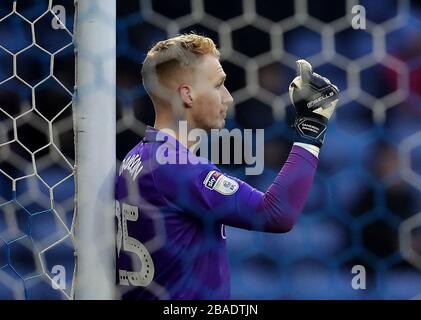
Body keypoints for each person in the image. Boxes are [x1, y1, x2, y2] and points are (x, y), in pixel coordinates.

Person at [115, 33, 339, 299]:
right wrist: (311, 130)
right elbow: (277, 214)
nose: (228, 97)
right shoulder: (174, 166)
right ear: (187, 94)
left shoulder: (137, 156)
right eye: (219, 85)